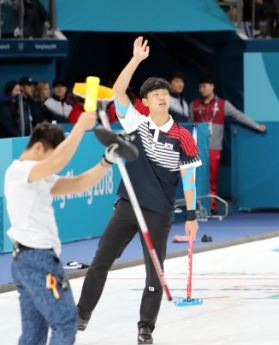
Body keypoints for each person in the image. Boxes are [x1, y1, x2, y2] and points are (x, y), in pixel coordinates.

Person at [77, 37, 202, 345]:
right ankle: (80, 315)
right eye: (155, 94)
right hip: (127, 206)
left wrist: (191, 216)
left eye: (165, 93)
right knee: (99, 263)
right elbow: (119, 92)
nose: (162, 97)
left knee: (154, 274)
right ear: (145, 101)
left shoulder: (183, 136)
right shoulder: (135, 122)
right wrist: (135, 60)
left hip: (159, 213)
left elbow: (188, 180)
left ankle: (145, 327)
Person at [5, 113, 116, 345]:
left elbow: (77, 183)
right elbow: (57, 162)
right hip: (38, 260)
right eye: (51, 156)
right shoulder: (19, 171)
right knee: (66, 323)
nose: (52, 164)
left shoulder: (37, 176)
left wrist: (106, 161)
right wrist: (80, 128)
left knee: (33, 335)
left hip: (27, 261)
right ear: (38, 148)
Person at [190, 75, 266, 214]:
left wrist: (255, 125)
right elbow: (188, 125)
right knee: (195, 178)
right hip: (196, 149)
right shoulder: (194, 105)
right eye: (200, 87)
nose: (202, 89)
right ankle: (196, 206)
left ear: (212, 86)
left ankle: (211, 207)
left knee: (212, 178)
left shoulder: (222, 104)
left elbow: (238, 115)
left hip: (214, 148)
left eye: (204, 86)